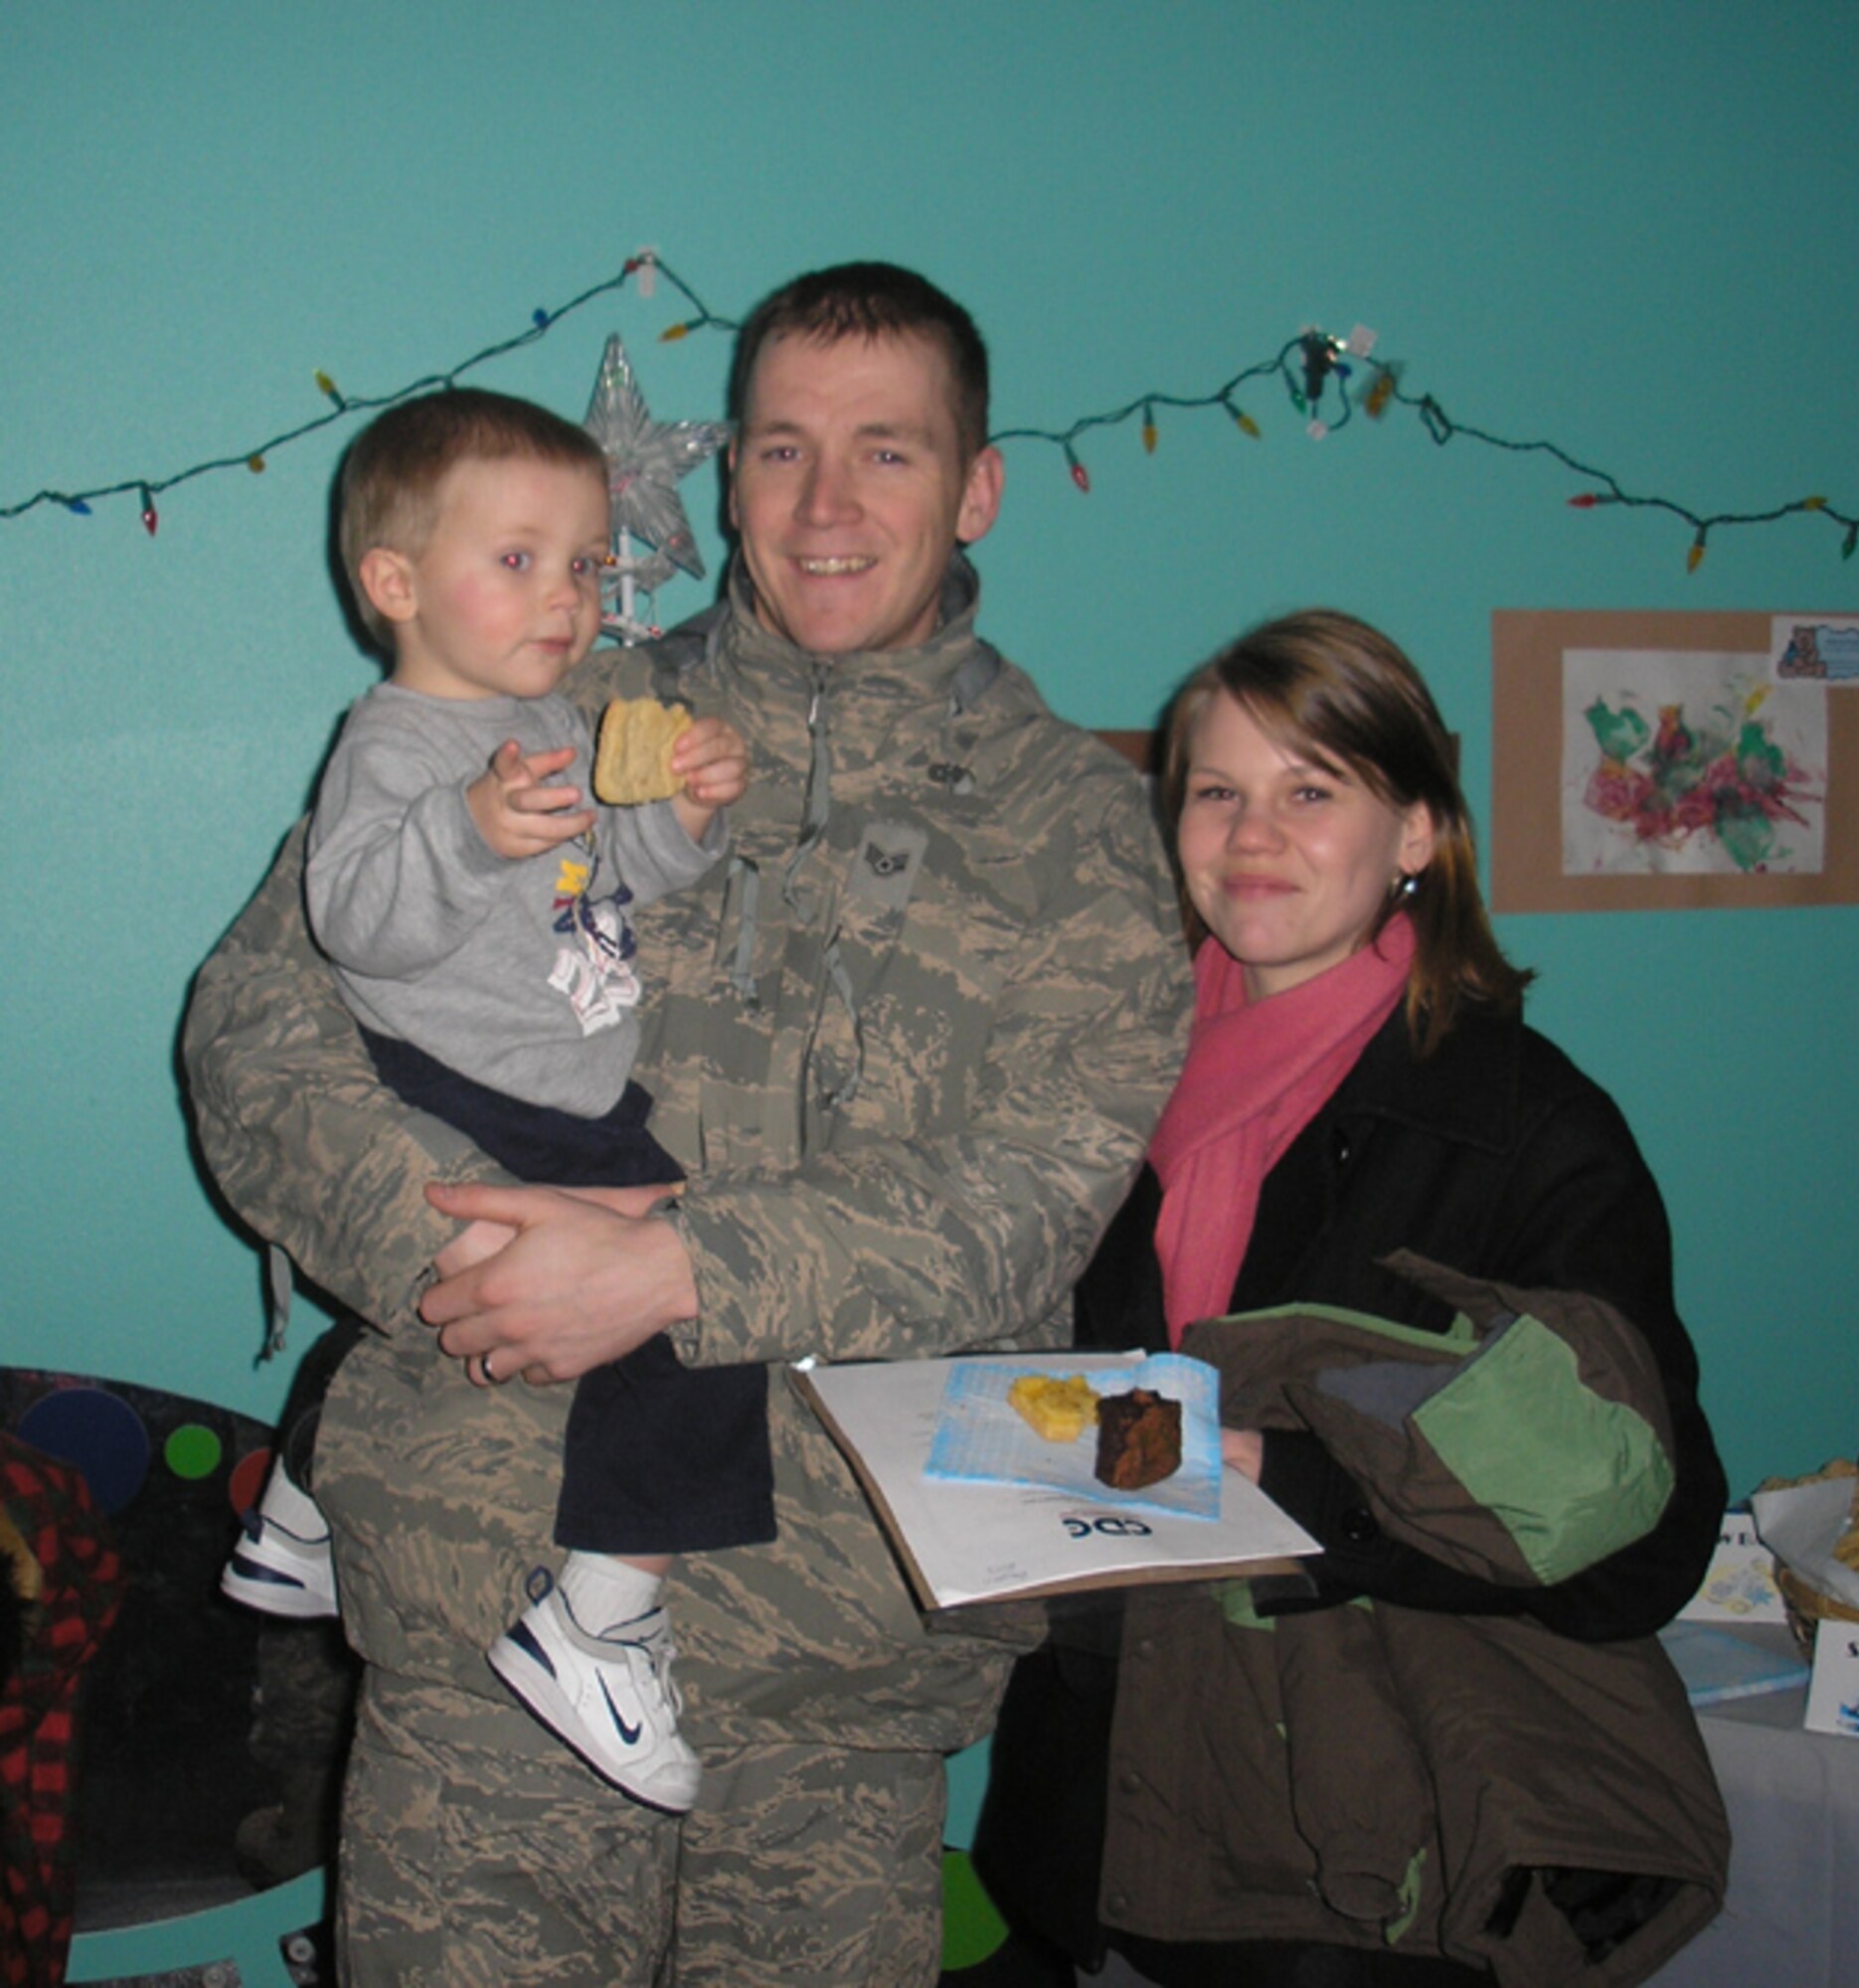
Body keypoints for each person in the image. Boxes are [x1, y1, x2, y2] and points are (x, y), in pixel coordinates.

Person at [182, 261, 1194, 1985]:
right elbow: (256, 1028)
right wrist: (475, 1253)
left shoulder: (1082, 828)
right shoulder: (534, 707)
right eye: (781, 448)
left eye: (886, 452)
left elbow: (1039, 1188)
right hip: (485, 1602)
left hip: (843, 1667)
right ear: (727, 476)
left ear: (977, 487)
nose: (823, 505)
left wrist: (675, 1273)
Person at [974, 610, 1730, 1988]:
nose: (1252, 835)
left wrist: (1287, 1483)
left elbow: (1643, 1546)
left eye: (1311, 791)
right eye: (1218, 792)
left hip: (1353, 1873)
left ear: (1418, 832)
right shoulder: (1099, 1093)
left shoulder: (1524, 1131)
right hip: (1093, 1828)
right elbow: (1087, 1423)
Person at [218, 388, 760, 1815]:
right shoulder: (397, 741)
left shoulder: (555, 719)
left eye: (583, 564)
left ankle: (301, 1505)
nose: (565, 597)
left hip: (561, 1073)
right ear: (395, 584)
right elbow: (353, 918)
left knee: (565, 1289)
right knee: (701, 1316)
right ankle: (602, 1617)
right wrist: (464, 832)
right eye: (517, 560)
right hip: (475, 1078)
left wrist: (682, 815)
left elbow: (614, 874)